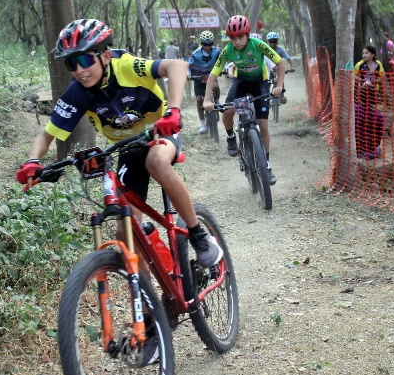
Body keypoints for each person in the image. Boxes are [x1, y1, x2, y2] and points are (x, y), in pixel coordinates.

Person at [16, 19, 223, 273]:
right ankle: (147, 296)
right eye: (71, 63)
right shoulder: (77, 92)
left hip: (159, 131)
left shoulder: (125, 65)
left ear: (105, 56)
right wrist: (32, 161)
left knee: (156, 161)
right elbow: (46, 136)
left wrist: (174, 111)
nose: (79, 70)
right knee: (126, 233)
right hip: (126, 147)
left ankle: (198, 234)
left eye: (84, 60)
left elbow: (177, 66)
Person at [202, 15, 285, 185]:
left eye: (240, 37)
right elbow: (213, 74)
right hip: (241, 82)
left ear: (247, 34)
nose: (237, 42)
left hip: (260, 83)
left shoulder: (258, 45)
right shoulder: (228, 50)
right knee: (228, 111)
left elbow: (281, 62)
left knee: (263, 125)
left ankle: (266, 165)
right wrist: (206, 100)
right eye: (233, 38)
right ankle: (231, 136)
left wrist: (279, 85)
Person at [353, 45, 385, 159]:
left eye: (366, 53)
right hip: (363, 89)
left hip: (372, 89)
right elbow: (354, 75)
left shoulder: (378, 64)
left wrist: (374, 81)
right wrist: (362, 80)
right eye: (363, 53)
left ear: (373, 54)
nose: (364, 55)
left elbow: (382, 76)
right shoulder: (360, 64)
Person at [188, 30, 221, 134]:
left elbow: (222, 60)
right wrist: (188, 74)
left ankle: (217, 100)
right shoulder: (195, 54)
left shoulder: (216, 51)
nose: (207, 46)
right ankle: (203, 124)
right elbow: (189, 66)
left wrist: (224, 68)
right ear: (201, 43)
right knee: (199, 99)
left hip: (211, 75)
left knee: (216, 86)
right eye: (205, 44)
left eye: (210, 44)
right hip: (199, 78)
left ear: (213, 43)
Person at [266, 31, 294, 104]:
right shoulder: (265, 49)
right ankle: (265, 96)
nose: (272, 44)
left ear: (277, 42)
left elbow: (289, 59)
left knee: (280, 79)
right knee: (266, 83)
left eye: (274, 41)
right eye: (270, 42)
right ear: (268, 42)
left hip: (278, 69)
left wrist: (292, 67)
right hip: (268, 69)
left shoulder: (280, 50)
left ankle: (282, 96)